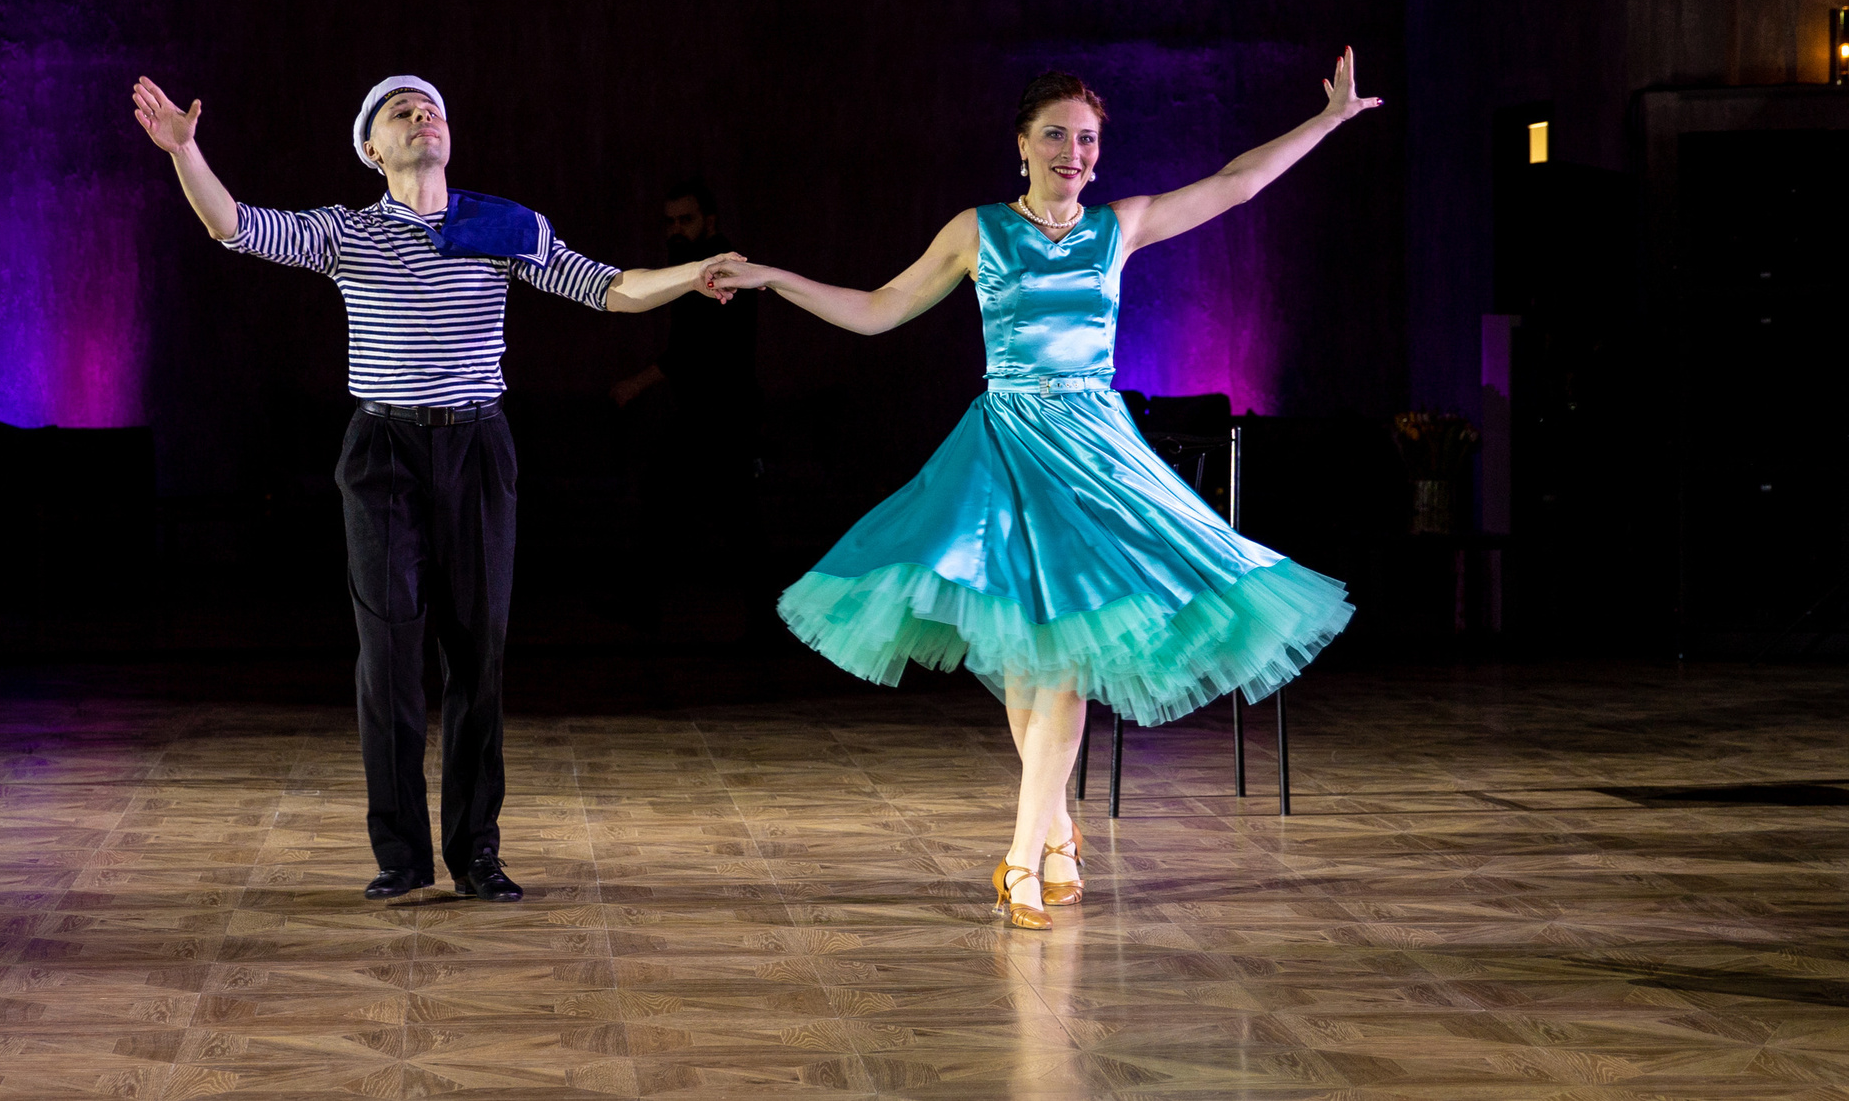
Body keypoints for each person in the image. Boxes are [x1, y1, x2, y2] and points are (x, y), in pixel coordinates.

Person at [706, 52, 1376, 929]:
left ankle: (1024, 857)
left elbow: (1234, 184)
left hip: (1098, 460)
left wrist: (1324, 121)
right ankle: (1054, 831)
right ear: (1021, 143)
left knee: (1060, 662)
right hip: (1008, 453)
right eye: (1056, 135)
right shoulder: (977, 230)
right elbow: (877, 309)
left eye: (1087, 139)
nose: (1074, 153)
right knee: (1032, 669)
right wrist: (773, 279)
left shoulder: (1117, 228)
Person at [131, 71, 734, 903]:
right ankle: (402, 856)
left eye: (433, 109)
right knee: (388, 659)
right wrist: (186, 150)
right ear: (373, 149)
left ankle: (476, 851)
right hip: (383, 452)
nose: (424, 116)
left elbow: (610, 287)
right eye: (401, 112)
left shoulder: (504, 226)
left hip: (477, 448)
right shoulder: (348, 232)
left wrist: (692, 274)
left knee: (477, 656)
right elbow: (233, 226)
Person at [612, 179, 759, 636]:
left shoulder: (719, 271)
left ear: (709, 222)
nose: (675, 228)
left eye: (686, 220)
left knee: (723, 519)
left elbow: (695, 350)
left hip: (721, 416)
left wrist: (636, 384)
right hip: (707, 414)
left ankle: (642, 610)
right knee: (721, 518)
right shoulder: (691, 267)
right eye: (669, 221)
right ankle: (643, 609)